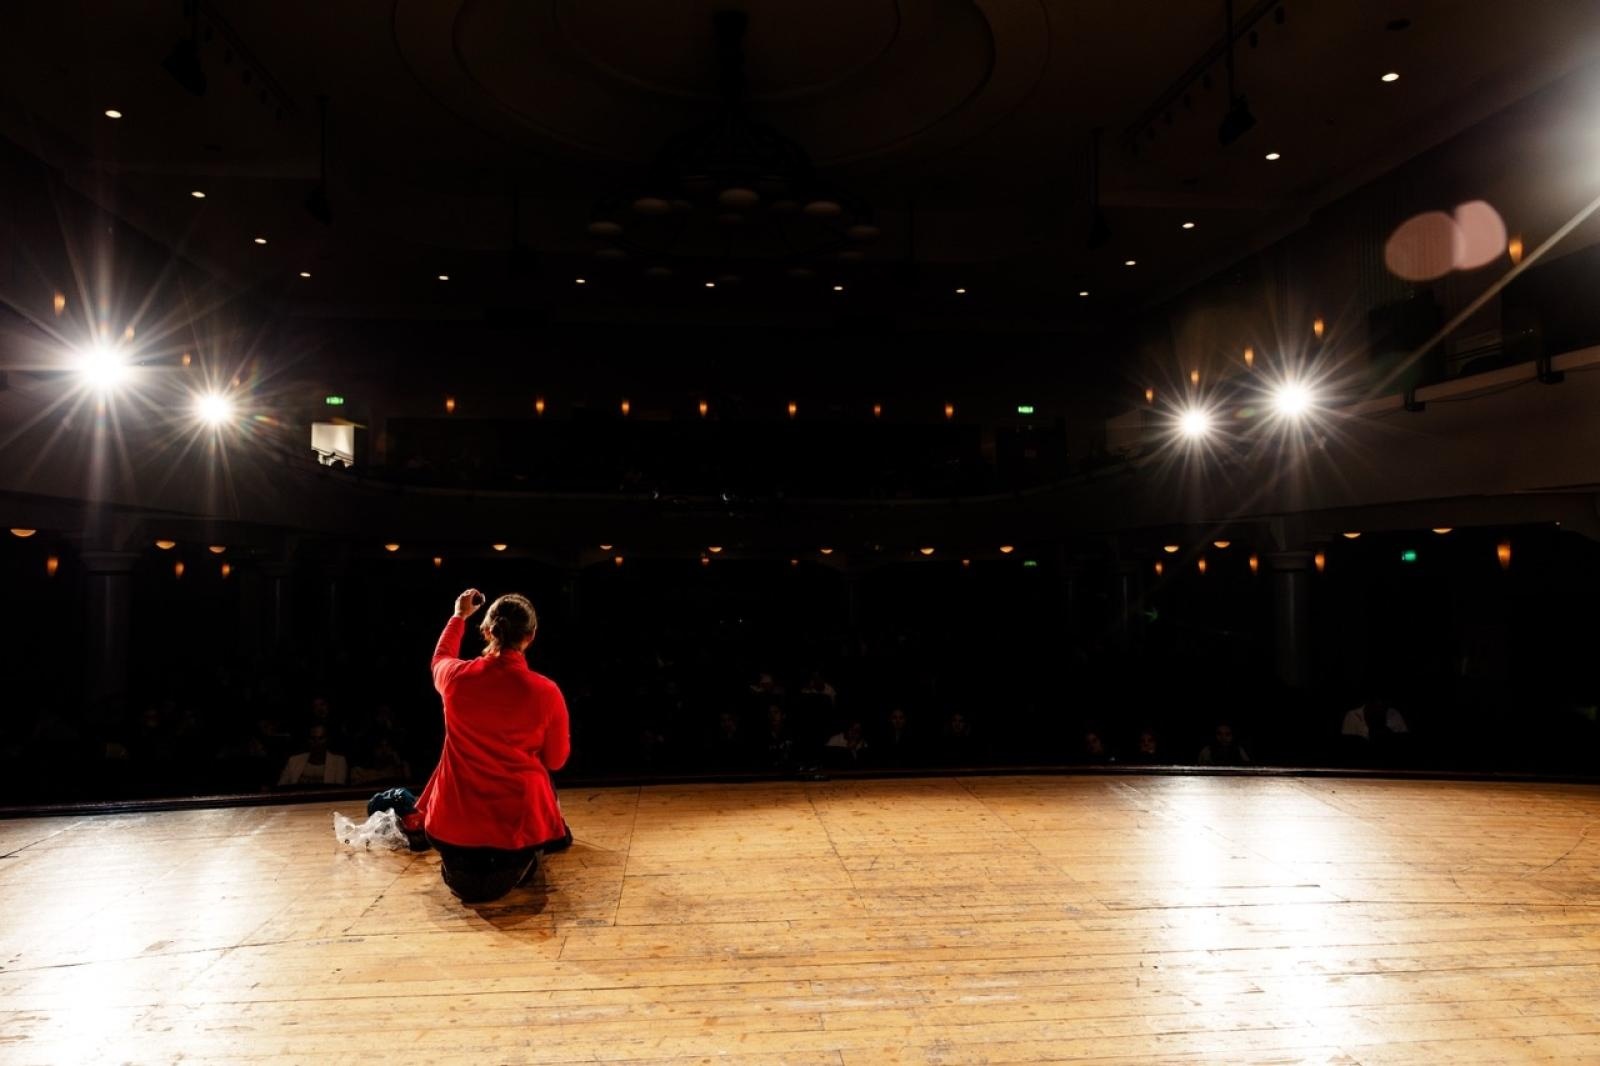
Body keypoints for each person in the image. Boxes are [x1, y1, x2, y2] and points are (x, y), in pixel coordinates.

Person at [412, 589, 572, 903]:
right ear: (531, 636)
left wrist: (459, 616)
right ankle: (516, 865)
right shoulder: (546, 691)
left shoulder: (456, 678)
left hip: (451, 829)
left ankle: (469, 868)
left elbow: (439, 658)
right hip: (515, 833)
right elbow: (556, 761)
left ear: (487, 631)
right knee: (542, 781)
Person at [277, 724, 349, 787]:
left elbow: (339, 790)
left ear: (327, 740)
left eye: (320, 738)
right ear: (308, 740)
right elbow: (281, 787)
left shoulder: (338, 761)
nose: (316, 742)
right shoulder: (294, 760)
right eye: (313, 738)